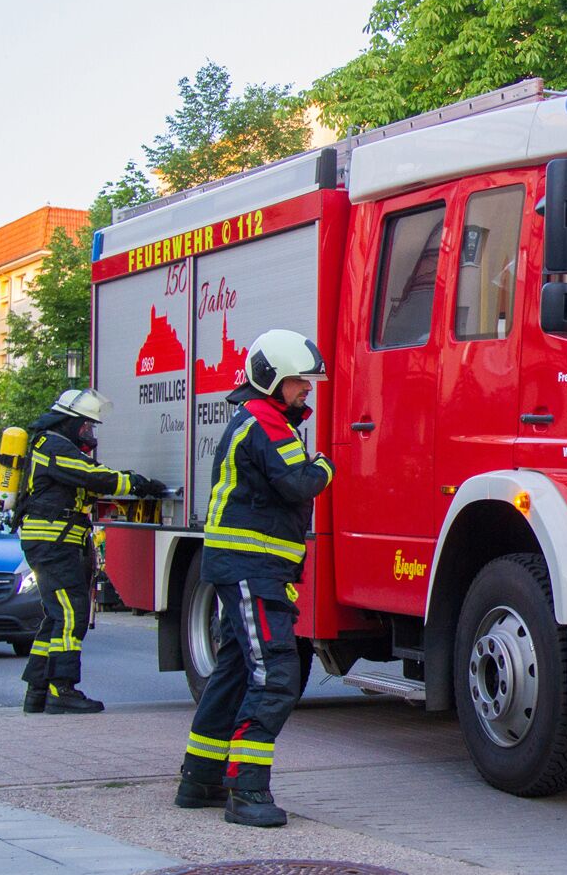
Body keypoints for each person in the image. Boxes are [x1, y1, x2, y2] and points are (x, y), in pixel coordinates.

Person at [175, 329, 334, 828]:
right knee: (276, 675)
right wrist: (327, 464)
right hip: (254, 569)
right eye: (298, 383)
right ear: (271, 382)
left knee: (235, 673)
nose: (306, 390)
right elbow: (300, 483)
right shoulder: (267, 424)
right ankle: (246, 790)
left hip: (246, 567)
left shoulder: (256, 420)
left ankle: (200, 778)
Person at [17, 388, 166, 714]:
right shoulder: (53, 444)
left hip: (56, 541)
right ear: (68, 421)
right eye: (86, 426)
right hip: (54, 542)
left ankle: (37, 691)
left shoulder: (55, 445)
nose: (89, 433)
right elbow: (93, 477)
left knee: (56, 617)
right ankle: (63, 691)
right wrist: (136, 484)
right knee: (72, 614)